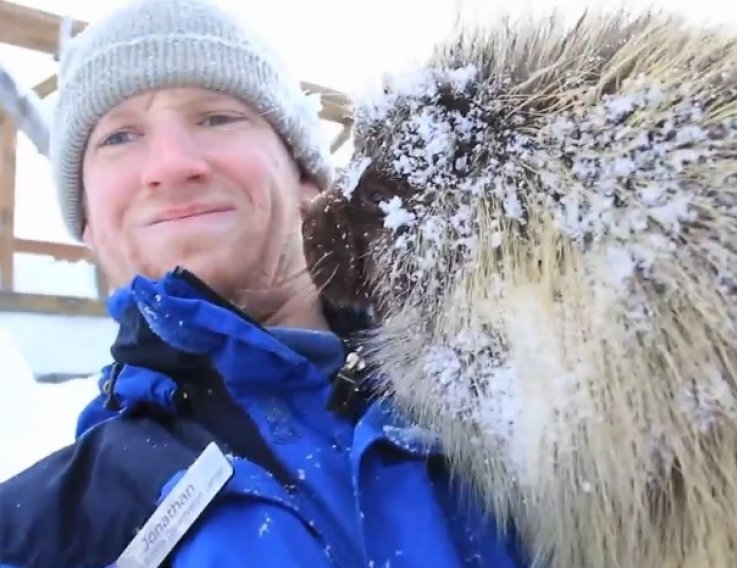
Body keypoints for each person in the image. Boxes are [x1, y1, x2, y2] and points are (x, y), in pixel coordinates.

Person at [0, 0, 528, 566]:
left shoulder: (522, 396)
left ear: (306, 176)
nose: (173, 164)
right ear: (88, 225)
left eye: (218, 118)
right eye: (119, 138)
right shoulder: (39, 534)